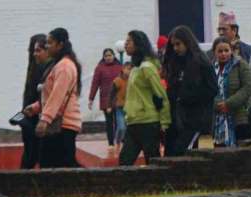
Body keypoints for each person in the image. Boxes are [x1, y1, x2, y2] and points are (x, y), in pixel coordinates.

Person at [33, 27, 83, 169]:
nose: (47, 46)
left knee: (55, 166)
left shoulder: (64, 66)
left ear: (60, 45)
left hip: (61, 125)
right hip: (60, 124)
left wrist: (45, 119)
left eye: (49, 43)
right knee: (63, 164)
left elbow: (58, 95)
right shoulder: (60, 65)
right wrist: (37, 107)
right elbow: (53, 94)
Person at [161, 26, 215, 157]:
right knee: (170, 154)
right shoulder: (176, 63)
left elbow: (212, 89)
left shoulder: (201, 63)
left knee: (182, 153)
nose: (175, 48)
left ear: (187, 42)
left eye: (178, 44)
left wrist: (187, 97)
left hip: (194, 120)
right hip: (176, 119)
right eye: (173, 45)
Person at [118, 34, 167, 166]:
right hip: (134, 121)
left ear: (138, 44)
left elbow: (160, 95)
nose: (125, 44)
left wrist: (164, 123)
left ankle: (159, 186)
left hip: (148, 122)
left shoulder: (147, 67)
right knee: (124, 161)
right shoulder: (135, 68)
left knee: (152, 162)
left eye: (129, 41)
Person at [211, 34, 251, 147]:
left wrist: (229, 103)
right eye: (220, 51)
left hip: (239, 119)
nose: (223, 54)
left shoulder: (240, 65)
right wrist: (217, 104)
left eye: (226, 50)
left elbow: (248, 87)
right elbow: (206, 90)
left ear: (231, 51)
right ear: (214, 53)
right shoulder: (211, 69)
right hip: (218, 122)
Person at [17, 32, 50, 169]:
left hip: (32, 117)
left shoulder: (36, 68)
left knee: (30, 155)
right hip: (34, 117)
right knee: (36, 155)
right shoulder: (40, 67)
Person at [90, 45, 128, 146]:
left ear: (114, 56)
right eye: (106, 56)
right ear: (103, 57)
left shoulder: (120, 67)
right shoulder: (99, 68)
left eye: (110, 55)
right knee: (109, 122)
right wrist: (91, 99)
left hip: (118, 99)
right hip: (105, 99)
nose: (108, 57)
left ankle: (120, 140)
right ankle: (111, 143)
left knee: (119, 122)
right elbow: (95, 84)